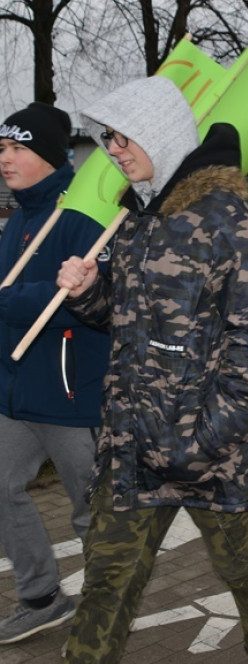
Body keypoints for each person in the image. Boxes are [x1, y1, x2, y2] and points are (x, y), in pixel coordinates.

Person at [56, 76, 248, 664]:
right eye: (106, 137)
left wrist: (202, 441)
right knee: (107, 584)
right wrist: (88, 295)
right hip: (132, 447)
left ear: (159, 135)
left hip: (212, 453)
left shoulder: (222, 220)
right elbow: (127, 321)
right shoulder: (134, 219)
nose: (111, 148)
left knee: (244, 572)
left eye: (122, 135)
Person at [0, 104, 110, 645]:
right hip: (16, 392)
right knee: (0, 488)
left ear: (46, 155)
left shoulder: (82, 210)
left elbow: (91, 296)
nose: (5, 159)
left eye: (18, 148)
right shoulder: (18, 215)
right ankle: (41, 596)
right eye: (2, 148)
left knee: (92, 512)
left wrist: (6, 301)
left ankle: (105, 610)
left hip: (71, 395)